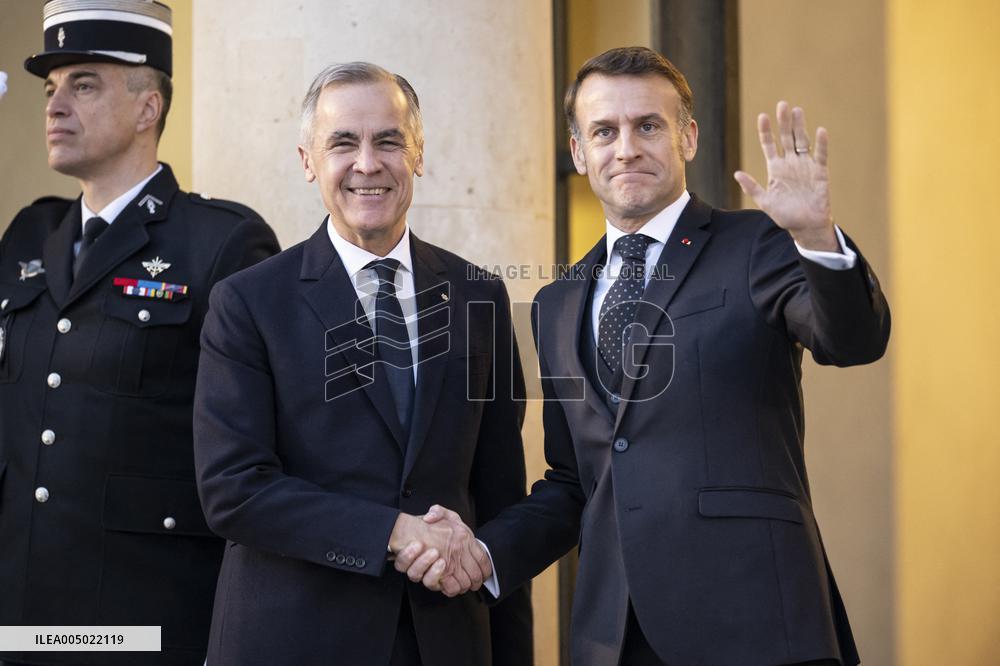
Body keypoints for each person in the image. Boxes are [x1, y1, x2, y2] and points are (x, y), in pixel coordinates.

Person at [400, 46, 891, 665]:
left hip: (757, 622)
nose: (626, 147)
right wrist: (487, 554)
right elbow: (576, 481)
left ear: (687, 138)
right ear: (579, 152)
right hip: (616, 635)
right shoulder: (557, 302)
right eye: (604, 131)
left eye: (648, 126)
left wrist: (817, 239)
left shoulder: (757, 245)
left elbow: (852, 341)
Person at [191, 61, 532, 666]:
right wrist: (393, 533)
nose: (367, 164)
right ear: (308, 161)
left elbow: (499, 495)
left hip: (446, 642)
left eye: (389, 141)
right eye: (343, 143)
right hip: (294, 642)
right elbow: (233, 490)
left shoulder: (478, 295)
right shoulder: (248, 302)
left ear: (419, 153)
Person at [0, 2, 279, 665]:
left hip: (148, 624)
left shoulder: (221, 244)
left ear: (148, 107)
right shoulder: (27, 239)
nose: (56, 105)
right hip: (22, 619)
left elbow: (261, 452)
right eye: (49, 88)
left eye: (84, 83)